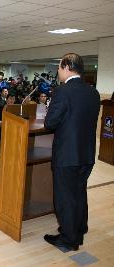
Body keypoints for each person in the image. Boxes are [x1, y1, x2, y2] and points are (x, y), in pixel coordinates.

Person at [43, 53, 100, 251]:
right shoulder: (93, 92)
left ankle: (68, 239)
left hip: (67, 154)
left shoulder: (63, 92)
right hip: (86, 153)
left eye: (59, 67)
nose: (58, 71)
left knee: (65, 196)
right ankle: (79, 229)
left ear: (67, 66)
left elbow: (50, 123)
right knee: (79, 192)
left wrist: (52, 108)